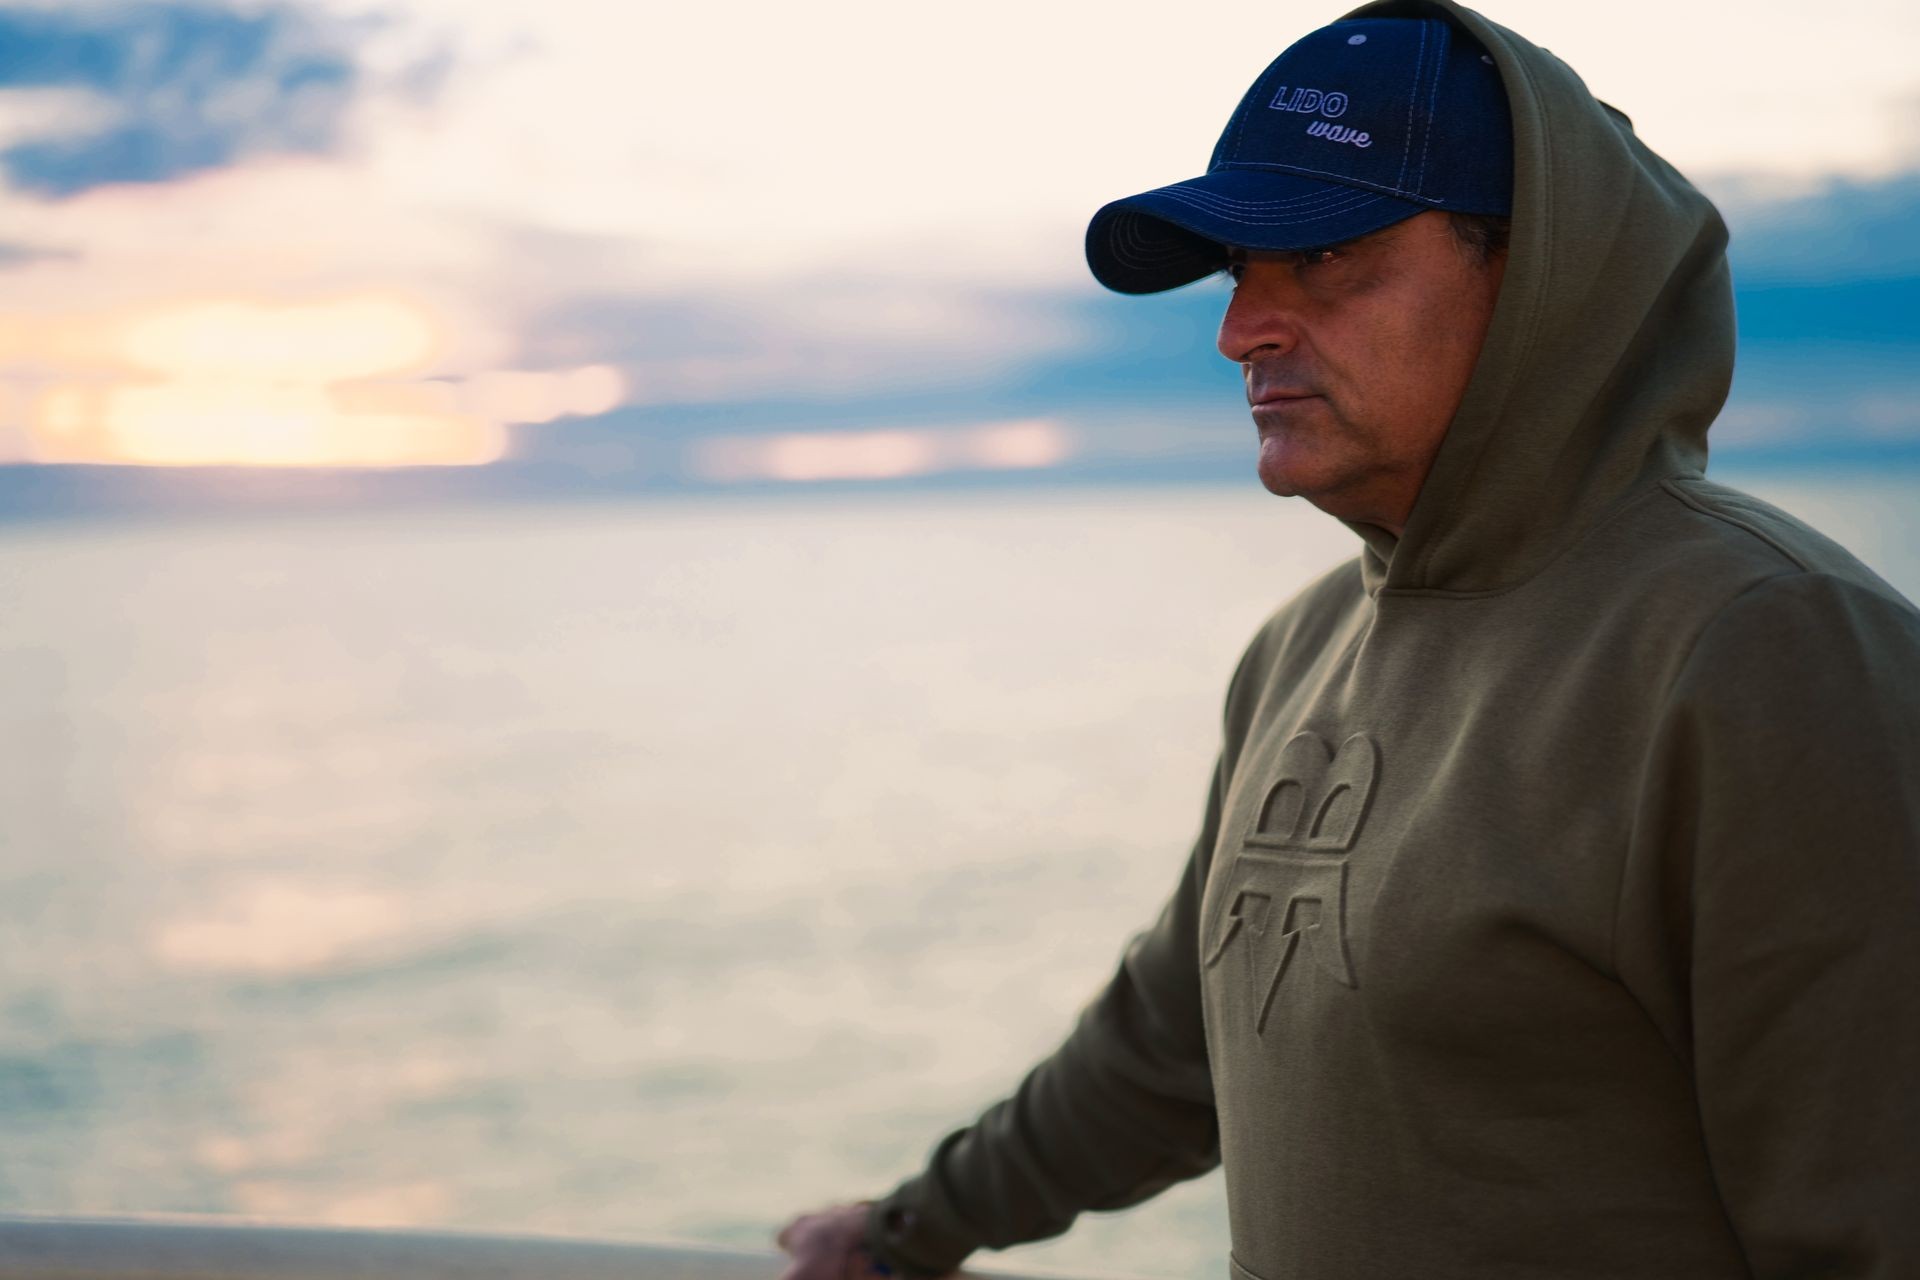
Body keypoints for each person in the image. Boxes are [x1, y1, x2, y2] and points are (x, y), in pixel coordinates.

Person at [776, 0, 1920, 1276]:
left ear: (1536, 275)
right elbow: (1169, 1048)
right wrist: (904, 1232)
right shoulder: (1298, 652)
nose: (1241, 330)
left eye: (1324, 258)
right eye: (1239, 273)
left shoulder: (1769, 653)